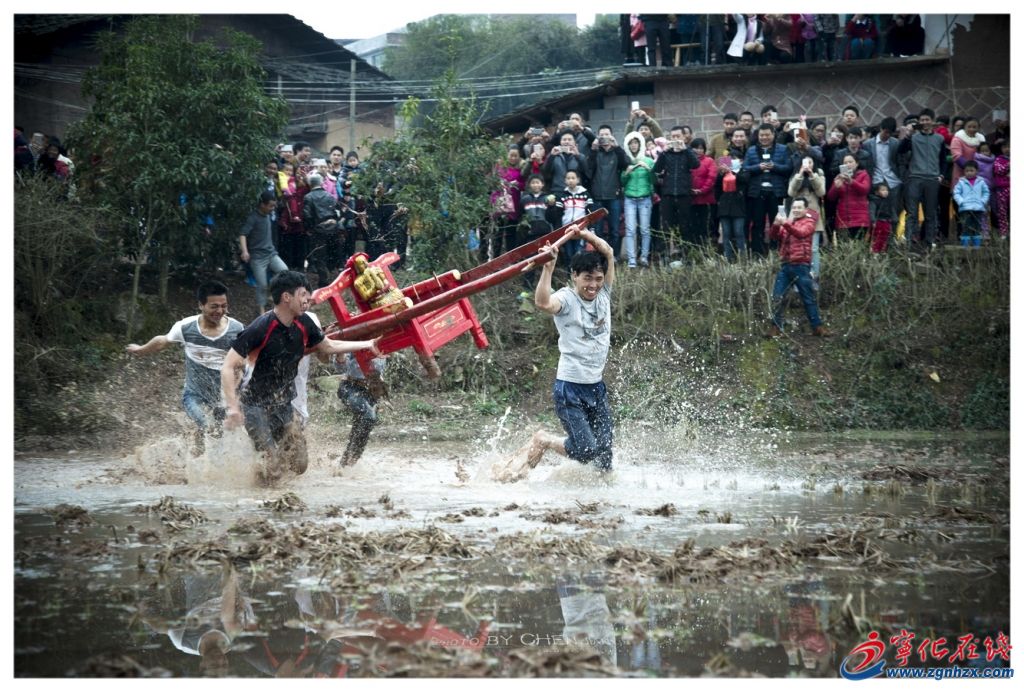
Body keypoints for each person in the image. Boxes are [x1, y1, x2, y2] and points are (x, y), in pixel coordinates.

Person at [220, 271, 381, 485]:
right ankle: (266, 500)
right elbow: (228, 366)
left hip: (283, 405)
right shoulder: (261, 327)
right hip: (255, 405)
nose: (308, 300)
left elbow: (329, 346)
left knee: (300, 464)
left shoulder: (304, 323)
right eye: (303, 294)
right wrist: (232, 407)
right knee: (273, 463)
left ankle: (267, 478)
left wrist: (367, 344)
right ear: (287, 297)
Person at [494, 225, 615, 482]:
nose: (593, 285)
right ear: (574, 276)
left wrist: (584, 234)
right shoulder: (567, 299)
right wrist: (548, 268)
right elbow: (542, 303)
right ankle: (545, 440)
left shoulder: (604, 294)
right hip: (570, 388)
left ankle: (601, 500)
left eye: (598, 278)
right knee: (585, 450)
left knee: (604, 458)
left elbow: (609, 252)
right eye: (587, 279)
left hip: (596, 388)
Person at [126, 281, 244, 450]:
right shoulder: (186, 327)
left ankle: (201, 458)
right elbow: (162, 341)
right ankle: (197, 448)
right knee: (207, 425)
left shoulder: (237, 329)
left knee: (219, 435)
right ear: (201, 305)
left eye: (224, 306)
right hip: (193, 395)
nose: (219, 311)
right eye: (214, 306)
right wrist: (141, 350)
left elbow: (246, 360)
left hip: (222, 398)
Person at [765, 198, 830, 338]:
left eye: (799, 207)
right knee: (777, 297)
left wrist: (785, 223)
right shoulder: (788, 223)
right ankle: (776, 328)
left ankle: (817, 327)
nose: (796, 210)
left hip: (801, 266)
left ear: (806, 209)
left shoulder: (809, 222)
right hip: (786, 265)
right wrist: (776, 225)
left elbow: (800, 233)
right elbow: (773, 236)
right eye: (794, 207)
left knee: (808, 298)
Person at [899, 108, 948, 248]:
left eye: (927, 120)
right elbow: (901, 151)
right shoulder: (913, 137)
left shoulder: (939, 138)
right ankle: (908, 244)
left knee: (931, 214)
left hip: (933, 179)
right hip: (915, 178)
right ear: (919, 122)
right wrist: (908, 135)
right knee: (912, 213)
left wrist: (941, 175)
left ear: (932, 121)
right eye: (922, 120)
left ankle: (929, 243)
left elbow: (943, 160)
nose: (925, 122)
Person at [333, 353, 387, 469]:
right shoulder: (356, 337)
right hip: (351, 386)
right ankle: (353, 458)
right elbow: (340, 368)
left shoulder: (386, 342)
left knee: (360, 425)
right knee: (369, 417)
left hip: (372, 390)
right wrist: (340, 356)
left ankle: (345, 463)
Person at [240, 191, 288, 312]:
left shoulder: (267, 215)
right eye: (271, 206)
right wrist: (245, 251)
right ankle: (262, 310)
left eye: (274, 205)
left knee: (284, 271)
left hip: (271, 253)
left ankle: (272, 293)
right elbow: (242, 234)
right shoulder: (253, 218)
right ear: (262, 204)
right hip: (257, 257)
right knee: (261, 285)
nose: (273, 208)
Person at [621, 131, 655, 267]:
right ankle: (632, 260)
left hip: (645, 198)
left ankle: (644, 257)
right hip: (629, 199)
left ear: (640, 144)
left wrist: (650, 170)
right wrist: (626, 173)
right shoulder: (626, 161)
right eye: (631, 143)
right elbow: (622, 182)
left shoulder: (649, 160)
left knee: (645, 229)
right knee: (630, 230)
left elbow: (654, 180)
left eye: (636, 143)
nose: (633, 146)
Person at [827, 153, 871, 240]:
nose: (848, 164)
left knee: (859, 249)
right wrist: (836, 187)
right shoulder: (839, 177)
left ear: (857, 163)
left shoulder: (863, 175)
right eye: (845, 162)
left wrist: (852, 182)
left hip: (860, 220)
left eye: (850, 162)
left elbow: (865, 190)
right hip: (843, 220)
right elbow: (830, 197)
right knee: (844, 250)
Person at [952, 161, 990, 242]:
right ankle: (965, 246)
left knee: (977, 226)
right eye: (967, 171)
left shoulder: (981, 182)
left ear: (976, 171)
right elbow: (956, 193)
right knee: (966, 226)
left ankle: (976, 245)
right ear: (964, 172)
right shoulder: (961, 182)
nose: (969, 173)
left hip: (978, 208)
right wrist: (961, 202)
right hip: (965, 208)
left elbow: (986, 192)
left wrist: (982, 201)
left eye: (971, 170)